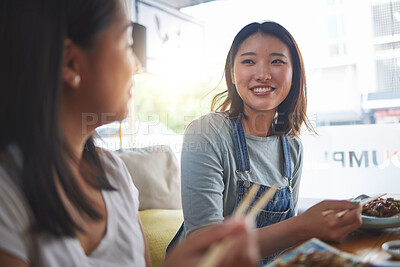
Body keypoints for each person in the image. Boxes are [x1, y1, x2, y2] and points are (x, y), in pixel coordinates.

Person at [0, 0, 260, 266]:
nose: (137, 65)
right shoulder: (7, 194)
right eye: (127, 44)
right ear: (71, 63)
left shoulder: (114, 173)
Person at [176, 21, 362, 265]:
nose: (263, 74)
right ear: (232, 72)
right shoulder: (206, 133)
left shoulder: (292, 147)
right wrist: (302, 226)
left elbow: (285, 243)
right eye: (248, 61)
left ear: (294, 72)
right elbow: (205, 250)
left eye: (276, 61)